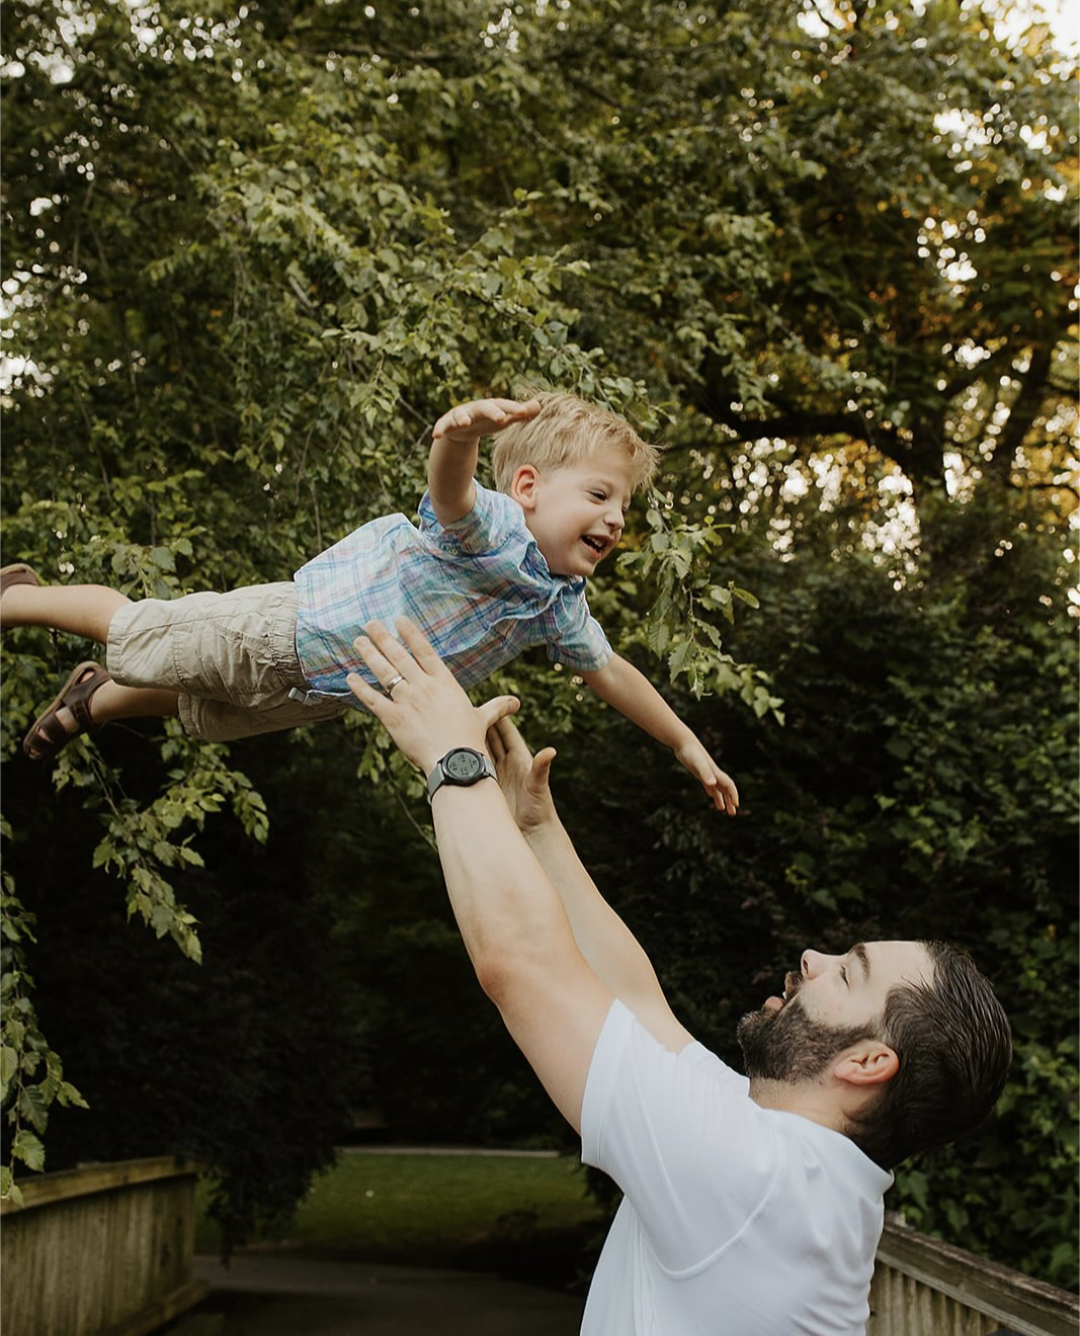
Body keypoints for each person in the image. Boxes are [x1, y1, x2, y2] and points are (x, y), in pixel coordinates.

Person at [346, 615, 1013, 1336]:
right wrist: (536, 830)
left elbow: (522, 967)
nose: (812, 960)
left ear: (868, 1061)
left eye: (847, 974)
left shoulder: (758, 1178)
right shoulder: (788, 1156)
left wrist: (451, 758)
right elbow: (638, 1003)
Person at [0, 392, 737, 812]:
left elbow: (610, 671)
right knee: (140, 627)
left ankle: (97, 700)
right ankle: (19, 599)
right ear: (528, 490)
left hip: (325, 689)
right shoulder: (494, 532)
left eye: (623, 508)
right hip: (287, 626)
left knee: (204, 707)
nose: (613, 519)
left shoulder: (558, 603)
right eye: (599, 495)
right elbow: (450, 494)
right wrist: (460, 437)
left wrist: (682, 740)